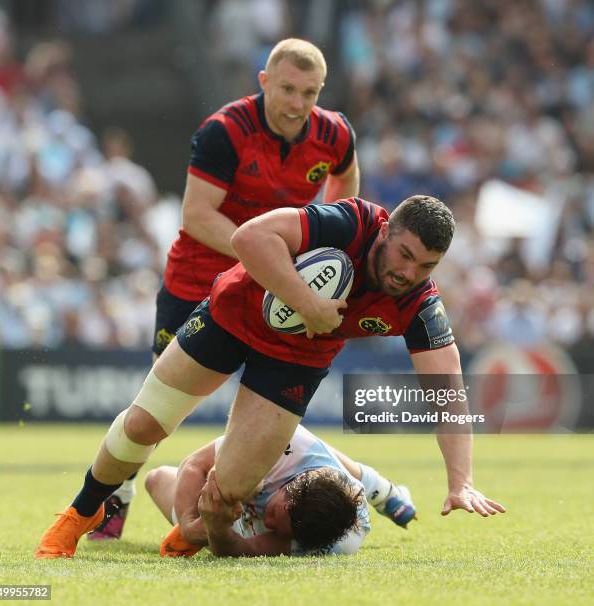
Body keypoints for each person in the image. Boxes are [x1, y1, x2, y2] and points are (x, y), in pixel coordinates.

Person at [35, 194, 506, 560]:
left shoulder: (420, 301)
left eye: (425, 266)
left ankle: (188, 531)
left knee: (230, 492)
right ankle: (83, 510)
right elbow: (249, 238)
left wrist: (460, 480)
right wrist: (307, 302)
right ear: (387, 231)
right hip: (232, 313)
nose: (408, 272)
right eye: (404, 254)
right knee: (144, 424)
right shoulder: (350, 222)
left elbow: (447, 388)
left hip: (295, 361)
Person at [89, 37, 360, 540]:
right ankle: (115, 497)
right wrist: (269, 257)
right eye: (287, 89)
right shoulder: (225, 131)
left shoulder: (335, 134)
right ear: (263, 82)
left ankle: (354, 488)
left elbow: (346, 191)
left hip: (268, 291)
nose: (298, 104)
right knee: (157, 408)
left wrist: (327, 246)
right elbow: (196, 216)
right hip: (196, 282)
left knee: (275, 402)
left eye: (310, 92)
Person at [144, 424, 415, 557]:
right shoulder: (285, 443)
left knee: (157, 479)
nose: (268, 520)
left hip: (337, 516)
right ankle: (385, 491)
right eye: (273, 512)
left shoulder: (335, 542)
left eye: (277, 529)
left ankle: (383, 491)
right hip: (302, 457)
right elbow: (193, 465)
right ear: (292, 485)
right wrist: (190, 524)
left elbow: (240, 550)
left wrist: (215, 529)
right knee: (310, 446)